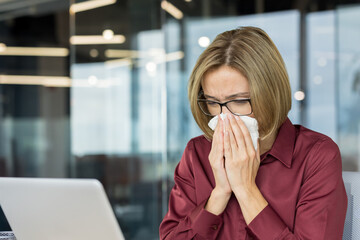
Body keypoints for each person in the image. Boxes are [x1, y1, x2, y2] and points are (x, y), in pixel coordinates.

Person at [159, 26, 348, 239]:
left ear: (270, 94)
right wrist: (219, 194)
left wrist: (246, 189)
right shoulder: (197, 154)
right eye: (213, 102)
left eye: (239, 101)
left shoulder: (316, 156)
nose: (224, 116)